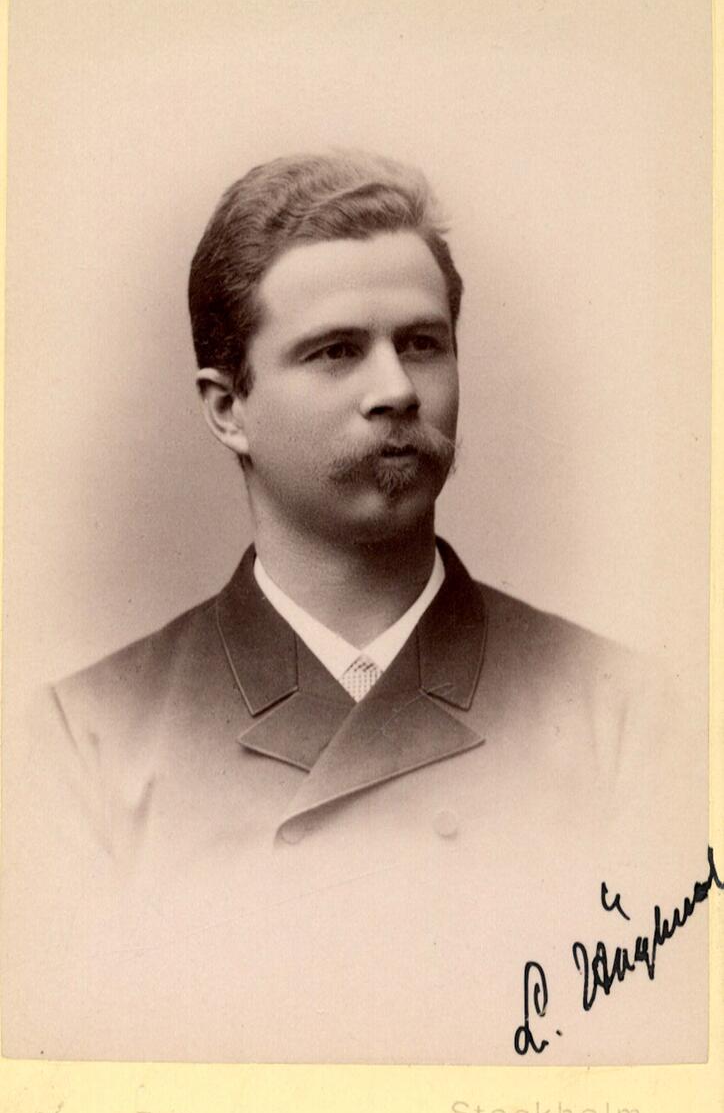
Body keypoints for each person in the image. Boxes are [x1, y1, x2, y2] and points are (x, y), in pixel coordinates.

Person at [2, 152, 708, 1064]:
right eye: (336, 351)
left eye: (422, 343)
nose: (398, 390)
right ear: (227, 409)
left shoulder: (624, 712)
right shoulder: (88, 738)